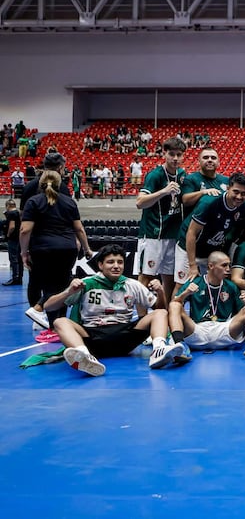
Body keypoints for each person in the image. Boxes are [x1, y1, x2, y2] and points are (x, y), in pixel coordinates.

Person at [44, 244, 185, 377]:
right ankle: (84, 356)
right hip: (93, 336)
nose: (116, 266)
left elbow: (160, 311)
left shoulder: (132, 285)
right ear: (100, 265)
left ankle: (158, 351)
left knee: (161, 313)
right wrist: (68, 292)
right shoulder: (86, 284)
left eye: (120, 262)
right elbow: (48, 307)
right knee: (60, 321)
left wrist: (160, 292)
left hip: (124, 337)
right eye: (111, 262)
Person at [169, 251, 245, 362]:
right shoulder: (196, 282)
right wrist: (186, 293)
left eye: (229, 265)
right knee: (174, 305)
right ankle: (180, 346)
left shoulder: (231, 286)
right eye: (224, 265)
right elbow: (174, 303)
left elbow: (241, 314)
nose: (228, 269)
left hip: (224, 330)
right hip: (197, 330)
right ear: (211, 266)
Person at [20, 171, 93, 333]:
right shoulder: (69, 202)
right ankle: (59, 324)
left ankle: (40, 310)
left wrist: (24, 252)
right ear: (59, 184)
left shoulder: (33, 202)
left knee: (49, 286)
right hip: (67, 249)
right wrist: (87, 248)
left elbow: (25, 230)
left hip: (42, 249)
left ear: (41, 184)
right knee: (63, 285)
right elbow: (79, 229)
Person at [175, 172, 245, 286]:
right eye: (236, 192)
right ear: (228, 188)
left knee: (211, 284)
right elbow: (191, 233)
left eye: (243, 193)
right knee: (183, 284)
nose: (239, 197)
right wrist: (192, 265)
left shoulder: (244, 206)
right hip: (188, 247)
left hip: (209, 250)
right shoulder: (209, 202)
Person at [136, 137, 187, 304]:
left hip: (173, 235)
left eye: (179, 155)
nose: (175, 158)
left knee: (169, 279)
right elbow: (140, 202)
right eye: (171, 154)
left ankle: (164, 315)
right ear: (164, 153)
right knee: (146, 276)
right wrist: (163, 191)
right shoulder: (155, 175)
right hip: (153, 235)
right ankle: (141, 318)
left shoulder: (182, 174)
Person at [3, 199, 22, 285]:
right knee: (18, 259)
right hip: (19, 238)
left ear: (8, 206)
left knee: (13, 258)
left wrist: (8, 234)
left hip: (13, 238)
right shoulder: (18, 213)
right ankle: (19, 277)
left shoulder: (11, 214)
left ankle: (15, 278)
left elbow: (12, 226)